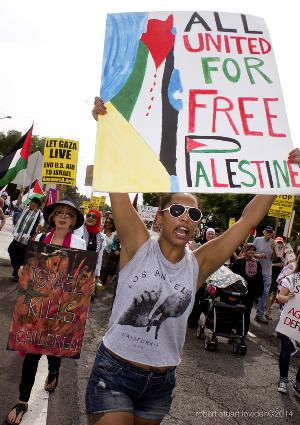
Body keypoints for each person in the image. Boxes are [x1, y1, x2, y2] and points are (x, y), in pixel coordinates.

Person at [86, 97, 299, 425]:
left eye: (194, 213)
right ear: (159, 217)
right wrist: (107, 128)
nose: (185, 217)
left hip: (160, 383)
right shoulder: (137, 244)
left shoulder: (199, 264)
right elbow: (116, 183)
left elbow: (246, 221)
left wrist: (279, 174)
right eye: (176, 210)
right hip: (114, 373)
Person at [4, 200, 86, 425]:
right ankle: (22, 400)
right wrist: (23, 269)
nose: (62, 217)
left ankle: (53, 370)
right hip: (37, 307)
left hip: (62, 308)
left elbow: (83, 275)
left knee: (54, 350)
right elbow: (28, 268)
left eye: (68, 215)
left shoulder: (79, 243)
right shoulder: (40, 239)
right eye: (59, 213)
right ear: (52, 218)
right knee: (31, 354)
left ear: (73, 221)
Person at [276, 253, 300, 397]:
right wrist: (287, 297)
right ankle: (283, 379)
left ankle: (298, 382)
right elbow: (280, 297)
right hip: (290, 320)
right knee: (286, 350)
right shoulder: (291, 279)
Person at [8, 193, 44, 282]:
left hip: (27, 240)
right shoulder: (26, 209)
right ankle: (17, 270)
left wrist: (34, 238)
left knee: (21, 257)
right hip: (18, 237)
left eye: (32, 202)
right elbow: (18, 204)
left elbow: (40, 228)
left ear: (36, 204)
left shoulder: (40, 215)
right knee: (11, 251)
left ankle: (18, 275)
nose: (30, 203)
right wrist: (20, 194)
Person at [231, 243, 264, 335]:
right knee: (235, 310)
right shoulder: (239, 261)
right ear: (245, 250)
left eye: (253, 250)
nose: (252, 252)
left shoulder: (257, 263)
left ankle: (242, 332)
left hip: (250, 292)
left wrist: (258, 292)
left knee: (246, 311)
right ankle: (232, 330)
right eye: (249, 249)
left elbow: (259, 278)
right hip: (238, 291)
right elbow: (233, 276)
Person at [187, 227, 216, 329]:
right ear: (205, 234)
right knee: (194, 298)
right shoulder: (198, 242)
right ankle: (191, 320)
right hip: (196, 273)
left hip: (209, 276)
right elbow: (189, 252)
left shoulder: (216, 245)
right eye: (209, 234)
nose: (211, 236)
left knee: (205, 300)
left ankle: (195, 319)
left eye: (213, 234)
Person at [75, 209, 106, 294]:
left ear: (98, 219)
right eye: (89, 215)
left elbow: (99, 258)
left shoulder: (102, 237)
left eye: (94, 216)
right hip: (75, 268)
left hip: (89, 272)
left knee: (83, 297)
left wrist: (97, 276)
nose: (90, 218)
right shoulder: (77, 231)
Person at [253, 225, 275, 324]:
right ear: (264, 232)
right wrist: (259, 255)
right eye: (267, 231)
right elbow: (250, 252)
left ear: (272, 233)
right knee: (251, 291)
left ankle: (259, 314)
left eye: (270, 232)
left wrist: (274, 249)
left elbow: (274, 259)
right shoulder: (257, 239)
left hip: (267, 271)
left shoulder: (274, 243)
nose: (268, 233)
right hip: (255, 270)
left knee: (265, 293)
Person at [265, 236, 285, 321]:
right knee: (269, 291)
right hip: (271, 272)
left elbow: (288, 263)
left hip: (280, 274)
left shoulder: (284, 252)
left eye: (281, 242)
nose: (279, 244)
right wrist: (277, 264)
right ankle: (268, 311)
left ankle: (268, 306)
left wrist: (284, 263)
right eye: (278, 242)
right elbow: (269, 262)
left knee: (277, 292)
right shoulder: (271, 250)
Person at [100, 215, 118, 286]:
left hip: (107, 258)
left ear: (113, 225)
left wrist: (116, 251)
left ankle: (100, 286)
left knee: (103, 273)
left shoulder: (115, 235)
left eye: (109, 223)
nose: (107, 224)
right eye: (106, 222)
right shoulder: (100, 231)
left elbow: (114, 247)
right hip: (99, 256)